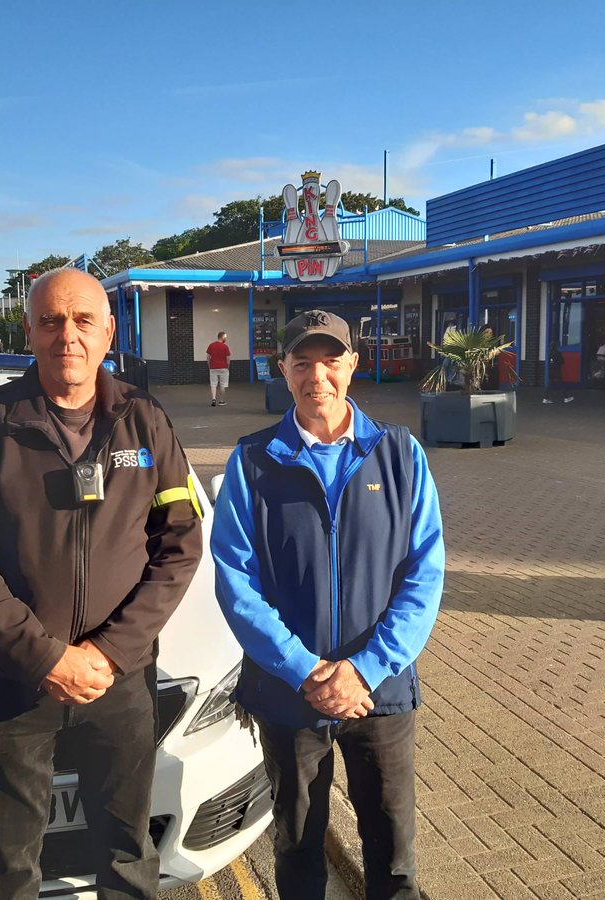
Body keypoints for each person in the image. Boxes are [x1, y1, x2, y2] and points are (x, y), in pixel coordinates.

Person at [0, 269, 203, 899]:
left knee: (127, 851)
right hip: (15, 683)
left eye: (84, 320)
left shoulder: (147, 420)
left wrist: (107, 653)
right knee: (8, 861)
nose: (69, 336)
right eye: (52, 321)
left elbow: (181, 545)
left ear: (109, 331)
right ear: (28, 331)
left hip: (120, 682)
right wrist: (46, 656)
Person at [211, 309, 445, 900]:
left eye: (331, 360)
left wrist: (364, 669)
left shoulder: (400, 454)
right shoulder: (252, 460)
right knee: (297, 850)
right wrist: (308, 671)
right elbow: (236, 580)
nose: (318, 375)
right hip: (290, 693)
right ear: (283, 369)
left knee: (393, 856)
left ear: (352, 366)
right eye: (303, 362)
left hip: (381, 692)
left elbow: (425, 573)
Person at [206, 330, 231, 406]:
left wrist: (209, 365)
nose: (226, 339)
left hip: (213, 367)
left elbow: (208, 357)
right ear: (222, 337)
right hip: (223, 368)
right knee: (222, 385)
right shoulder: (225, 347)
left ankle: (213, 399)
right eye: (225, 337)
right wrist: (228, 367)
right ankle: (222, 401)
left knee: (213, 384)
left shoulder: (211, 345)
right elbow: (228, 358)